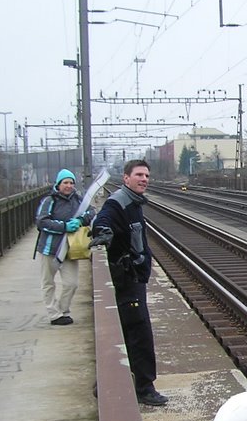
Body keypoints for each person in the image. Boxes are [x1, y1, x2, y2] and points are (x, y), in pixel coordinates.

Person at [89, 159, 168, 407]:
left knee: (126, 332)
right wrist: (102, 233)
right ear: (126, 178)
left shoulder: (133, 202)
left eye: (146, 175)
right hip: (127, 280)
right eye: (139, 175)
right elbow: (103, 220)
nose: (144, 179)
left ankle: (106, 383)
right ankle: (144, 388)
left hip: (133, 279)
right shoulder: (119, 202)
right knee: (138, 334)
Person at [34, 168, 94, 326]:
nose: (69, 186)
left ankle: (62, 309)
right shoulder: (49, 201)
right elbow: (41, 222)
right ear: (58, 184)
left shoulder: (78, 200)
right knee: (48, 282)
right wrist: (64, 226)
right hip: (49, 249)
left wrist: (81, 220)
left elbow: (91, 212)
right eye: (65, 182)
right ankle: (54, 314)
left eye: (71, 183)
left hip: (70, 249)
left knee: (71, 283)